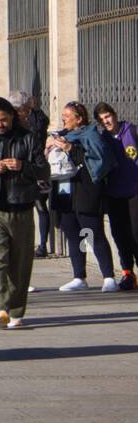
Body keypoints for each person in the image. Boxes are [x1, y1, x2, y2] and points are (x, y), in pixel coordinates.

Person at [0, 97, 49, 328]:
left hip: (21, 207)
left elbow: (44, 170)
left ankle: (16, 311)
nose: (0, 124)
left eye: (3, 119)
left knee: (21, 262)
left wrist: (23, 166)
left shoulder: (28, 138)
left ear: (12, 117)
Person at [47, 101, 118, 292]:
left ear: (79, 118)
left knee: (93, 232)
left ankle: (108, 276)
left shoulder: (91, 134)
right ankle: (79, 276)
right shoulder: (61, 135)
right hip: (64, 188)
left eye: (67, 116)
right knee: (72, 232)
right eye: (62, 116)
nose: (63, 120)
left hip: (86, 190)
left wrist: (71, 149)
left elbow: (100, 161)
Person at [95, 103, 138, 290]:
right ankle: (128, 272)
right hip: (113, 193)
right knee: (119, 235)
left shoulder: (133, 131)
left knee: (136, 232)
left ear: (114, 114)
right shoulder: (102, 138)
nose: (106, 121)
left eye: (108, 117)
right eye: (102, 120)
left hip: (135, 191)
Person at [11, 91, 52, 257]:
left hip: (35, 168)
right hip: (20, 170)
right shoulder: (14, 122)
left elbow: (37, 137)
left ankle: (42, 245)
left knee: (40, 206)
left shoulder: (37, 118)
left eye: (17, 108)